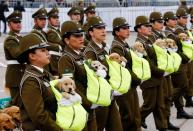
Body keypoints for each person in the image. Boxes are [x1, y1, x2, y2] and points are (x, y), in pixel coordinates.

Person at [84, 16, 123, 131]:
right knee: (99, 127)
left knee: (116, 127)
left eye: (104, 28)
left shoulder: (104, 47)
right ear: (91, 32)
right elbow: (92, 76)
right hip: (101, 96)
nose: (103, 30)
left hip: (110, 94)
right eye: (99, 28)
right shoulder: (90, 51)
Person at [17, 33, 63, 131]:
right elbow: (39, 116)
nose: (48, 53)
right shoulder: (31, 81)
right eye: (43, 50)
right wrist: (59, 129)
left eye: (47, 50)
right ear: (32, 56)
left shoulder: (44, 73)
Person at [58, 20, 97, 131]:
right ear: (66, 40)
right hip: (80, 107)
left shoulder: (81, 55)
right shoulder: (66, 59)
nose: (81, 38)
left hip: (89, 106)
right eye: (77, 36)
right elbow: (70, 87)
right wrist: (89, 103)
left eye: (82, 35)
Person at [135, 14, 167, 131]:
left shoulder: (147, 40)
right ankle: (138, 119)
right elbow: (147, 62)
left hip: (156, 78)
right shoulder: (139, 43)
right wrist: (160, 71)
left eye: (149, 25)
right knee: (149, 105)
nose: (149, 28)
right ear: (139, 29)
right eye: (146, 26)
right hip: (149, 80)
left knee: (159, 105)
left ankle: (162, 127)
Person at [110, 17, 142, 131]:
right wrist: (136, 78)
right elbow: (124, 68)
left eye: (128, 28)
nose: (128, 30)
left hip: (130, 84)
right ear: (117, 31)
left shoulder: (123, 44)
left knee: (135, 116)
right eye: (124, 28)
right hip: (125, 85)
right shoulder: (116, 46)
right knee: (128, 117)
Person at [173, 8, 193, 118]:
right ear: (178, 18)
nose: (186, 19)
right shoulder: (178, 30)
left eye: (186, 17)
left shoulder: (183, 28)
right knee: (183, 85)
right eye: (184, 17)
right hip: (181, 61)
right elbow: (179, 48)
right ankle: (170, 100)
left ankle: (181, 109)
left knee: (187, 81)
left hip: (187, 59)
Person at [163, 11, 180, 130]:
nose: (175, 21)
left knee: (167, 97)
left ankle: (166, 123)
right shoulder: (167, 34)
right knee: (154, 103)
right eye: (172, 19)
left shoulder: (165, 33)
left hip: (169, 68)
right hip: (161, 72)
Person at [3, 11, 25, 106]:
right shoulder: (10, 39)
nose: (18, 24)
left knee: (22, 103)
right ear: (9, 24)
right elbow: (18, 55)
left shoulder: (20, 38)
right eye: (15, 22)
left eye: (19, 22)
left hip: (21, 74)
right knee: (16, 105)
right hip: (15, 76)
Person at [47, 7, 62, 77]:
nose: (56, 19)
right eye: (54, 18)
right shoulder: (50, 32)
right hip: (55, 62)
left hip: (59, 60)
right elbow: (61, 43)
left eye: (57, 17)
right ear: (49, 21)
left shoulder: (57, 31)